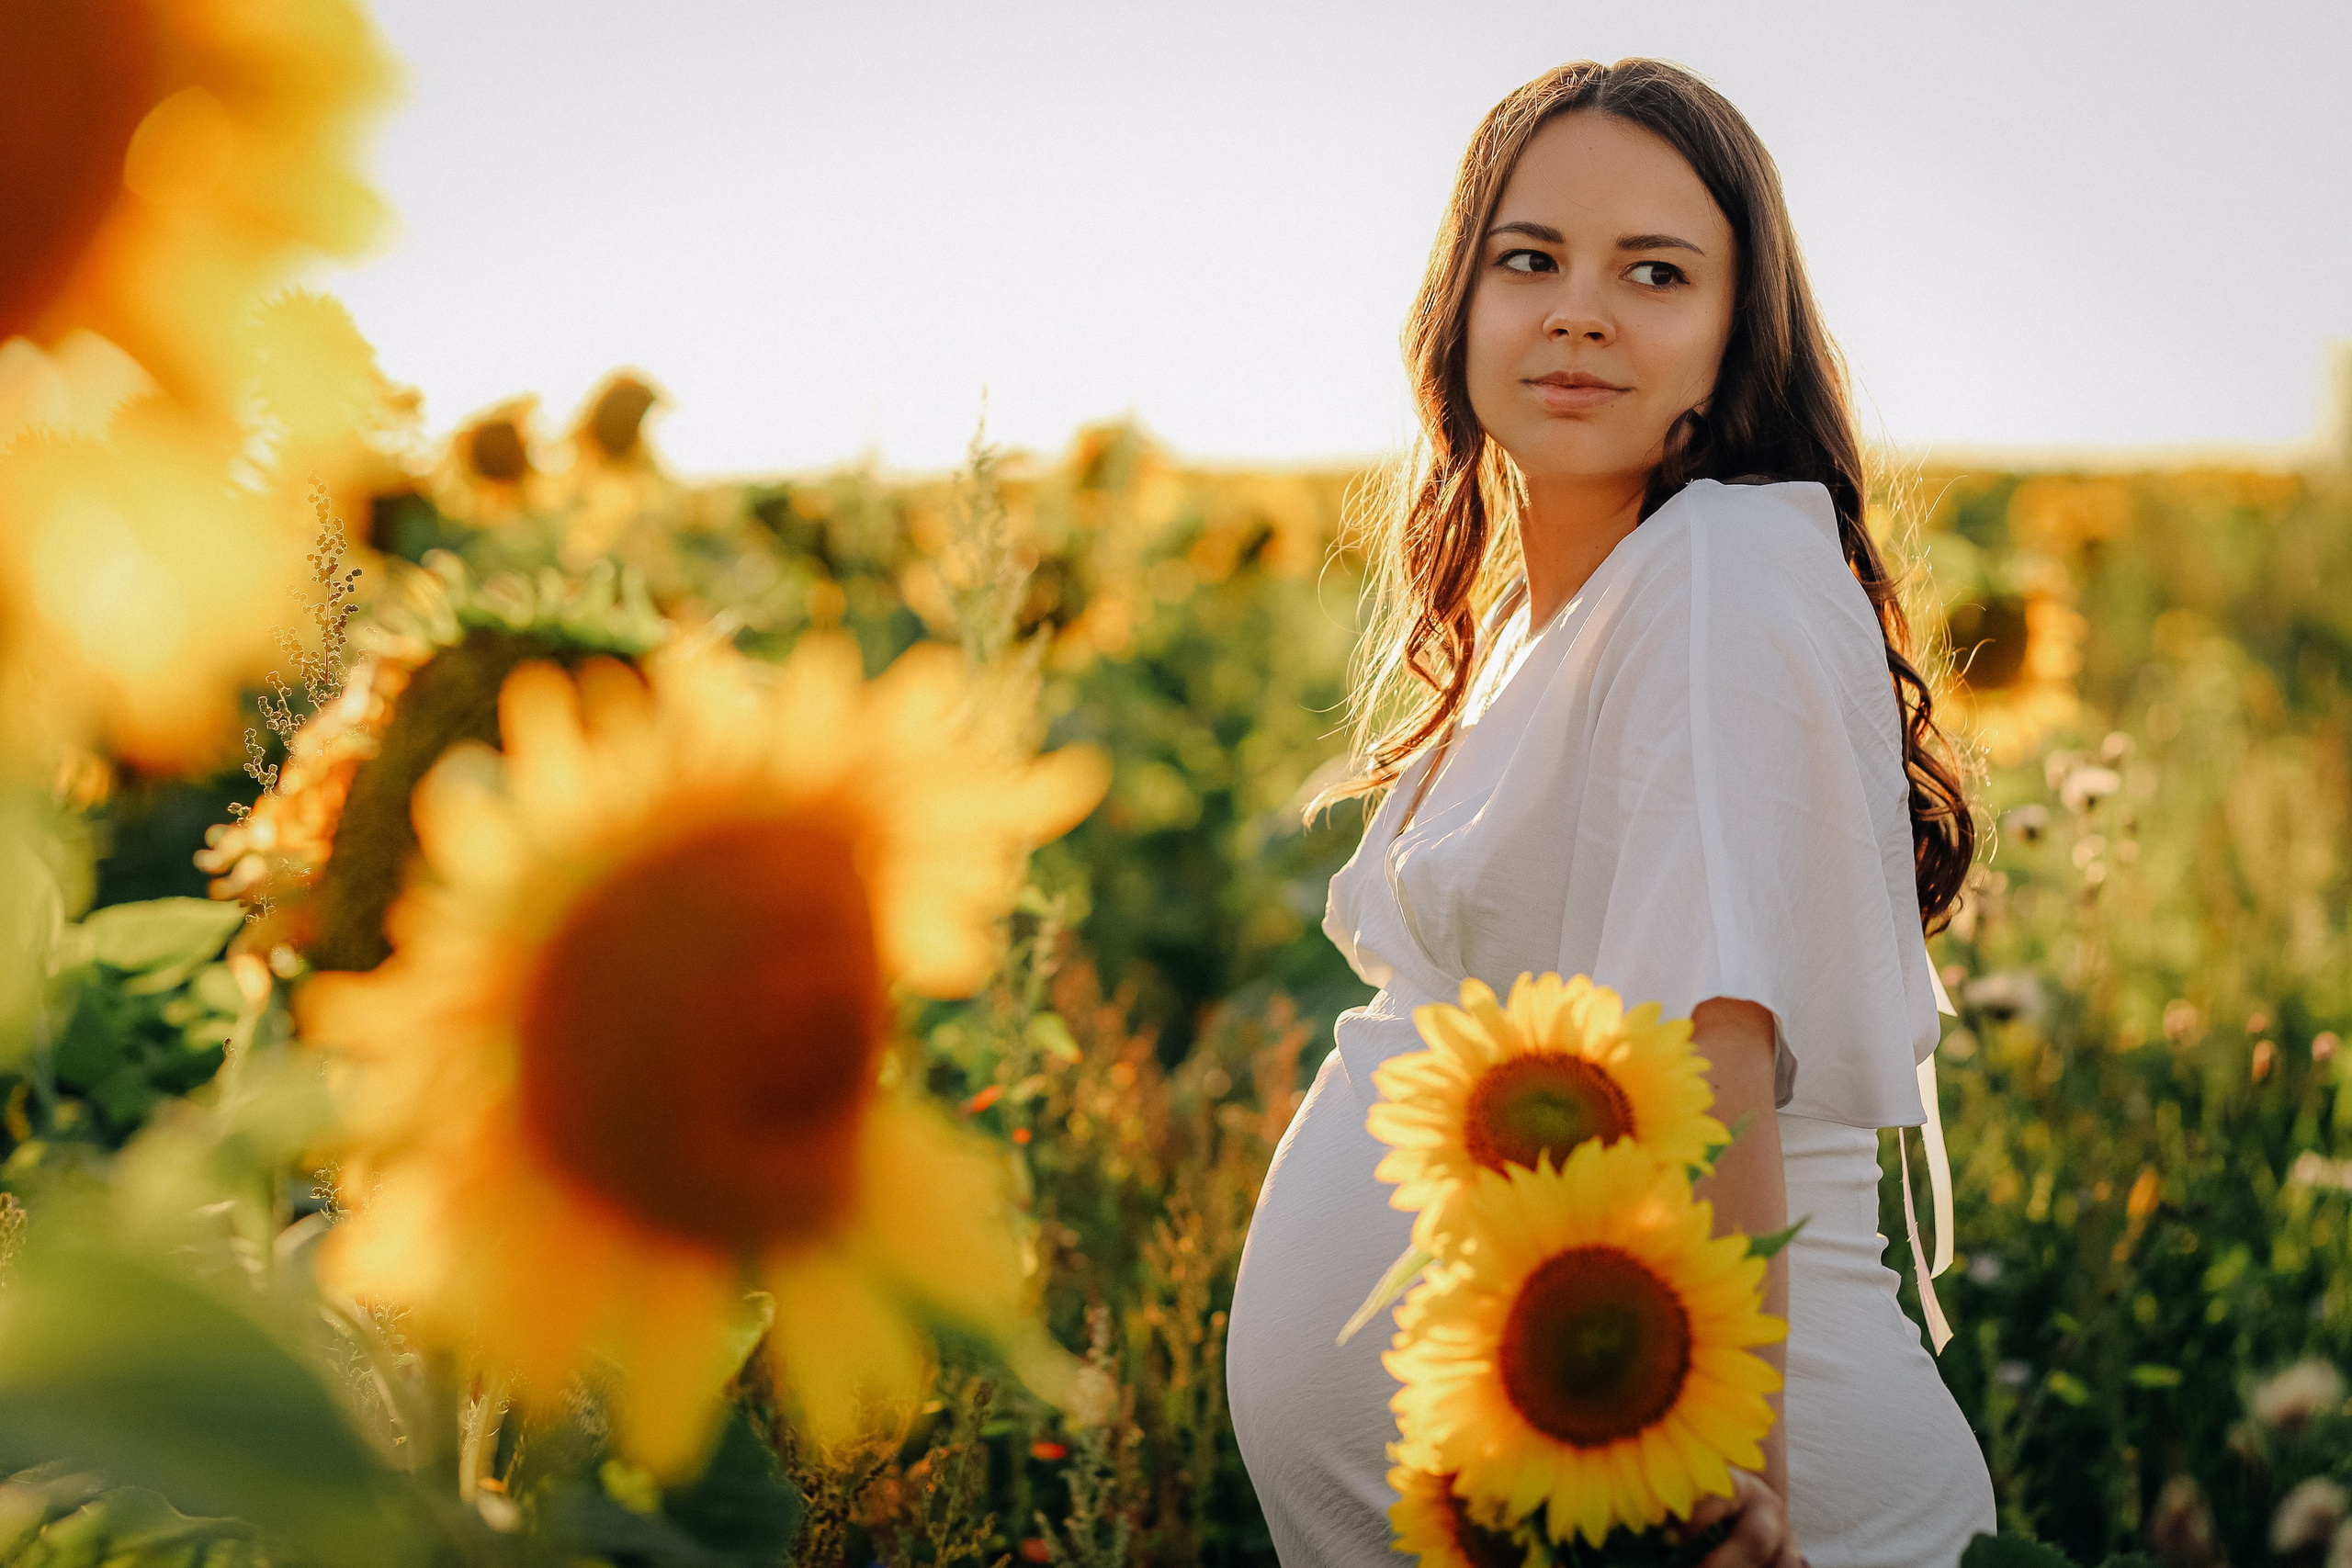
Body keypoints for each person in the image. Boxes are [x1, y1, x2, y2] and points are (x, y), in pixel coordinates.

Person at [1225, 58, 1997, 1568]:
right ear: (1458, 312)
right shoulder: (1552, 611)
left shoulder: (1719, 570)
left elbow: (1717, 1045)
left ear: (1732, 339)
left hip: (1735, 1496)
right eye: (1530, 260)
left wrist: (1729, 1495)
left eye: (1655, 271)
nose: (1580, 309)